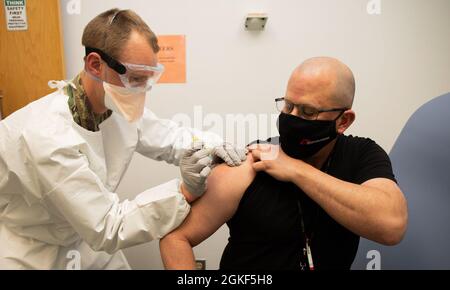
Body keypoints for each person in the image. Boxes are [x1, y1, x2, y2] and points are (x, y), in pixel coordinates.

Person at [0, 9, 246, 270]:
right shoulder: (45, 136)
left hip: (85, 242)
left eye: (148, 79)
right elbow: (108, 225)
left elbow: (171, 137)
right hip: (32, 251)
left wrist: (213, 146)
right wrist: (184, 191)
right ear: (95, 64)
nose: (142, 90)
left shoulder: (114, 106)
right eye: (135, 78)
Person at [160, 57, 408, 270]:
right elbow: (176, 238)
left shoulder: (361, 154)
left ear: (343, 121)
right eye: (288, 105)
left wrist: (296, 170)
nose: (291, 118)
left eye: (308, 112)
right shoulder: (252, 162)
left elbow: (391, 226)